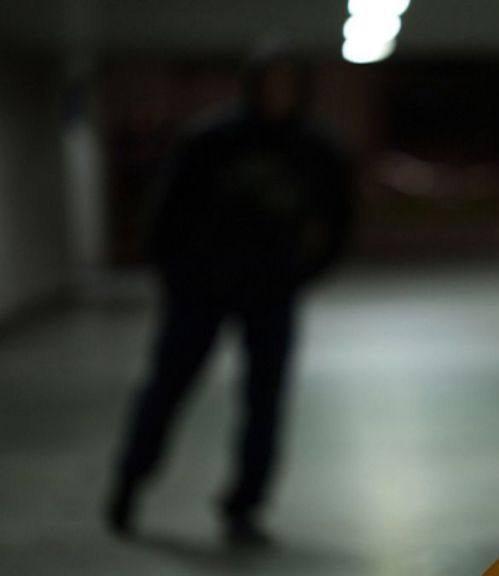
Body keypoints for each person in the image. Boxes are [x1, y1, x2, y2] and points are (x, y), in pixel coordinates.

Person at [106, 45, 354, 546]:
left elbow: (340, 219)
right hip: (200, 290)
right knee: (168, 388)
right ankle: (130, 483)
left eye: (290, 84)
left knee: (264, 404)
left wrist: (303, 272)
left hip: (271, 291)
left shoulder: (314, 147)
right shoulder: (211, 139)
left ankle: (244, 507)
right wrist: (178, 275)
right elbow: (166, 212)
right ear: (254, 85)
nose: (280, 95)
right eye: (271, 83)